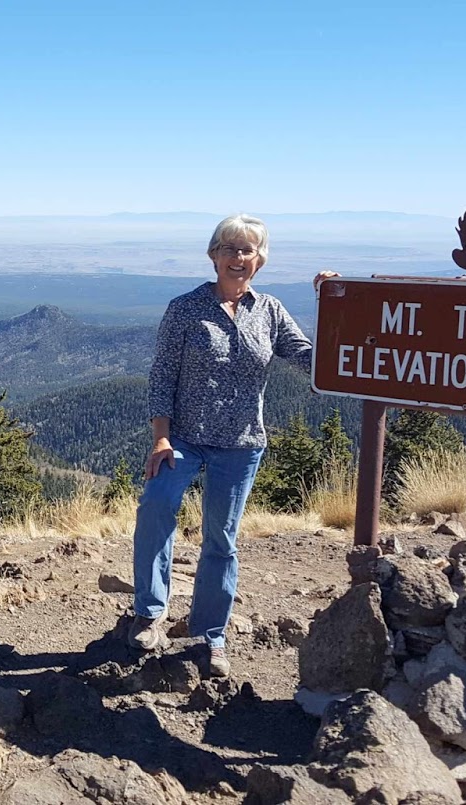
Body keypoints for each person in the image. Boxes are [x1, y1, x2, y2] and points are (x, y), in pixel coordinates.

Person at [131, 213, 330, 678]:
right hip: (183, 438)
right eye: (230, 248)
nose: (238, 258)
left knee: (221, 540)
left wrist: (335, 304)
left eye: (248, 250)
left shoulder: (270, 311)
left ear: (260, 260)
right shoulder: (184, 309)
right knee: (157, 506)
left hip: (242, 445)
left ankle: (209, 635)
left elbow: (310, 362)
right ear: (213, 255)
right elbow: (162, 376)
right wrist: (160, 436)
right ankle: (150, 611)